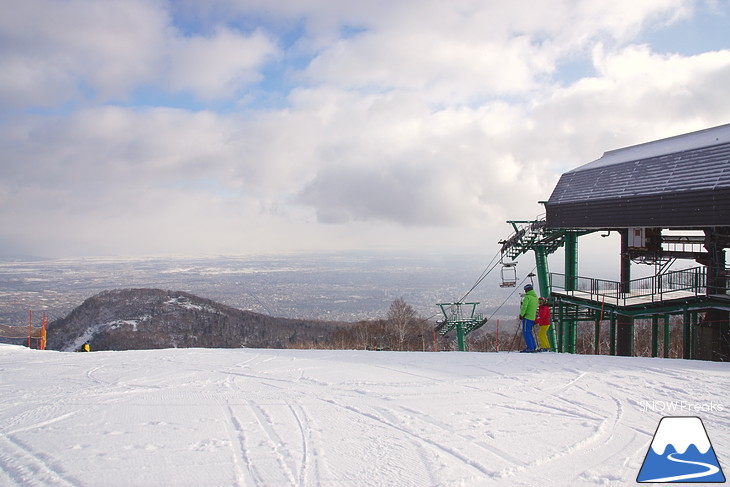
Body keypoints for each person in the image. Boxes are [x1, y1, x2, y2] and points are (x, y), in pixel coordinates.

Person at [519, 284, 538, 352]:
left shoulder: (527, 297)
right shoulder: (535, 298)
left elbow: (524, 307)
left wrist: (521, 315)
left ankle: (530, 347)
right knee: (529, 332)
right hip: (532, 317)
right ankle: (533, 346)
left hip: (527, 317)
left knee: (526, 332)